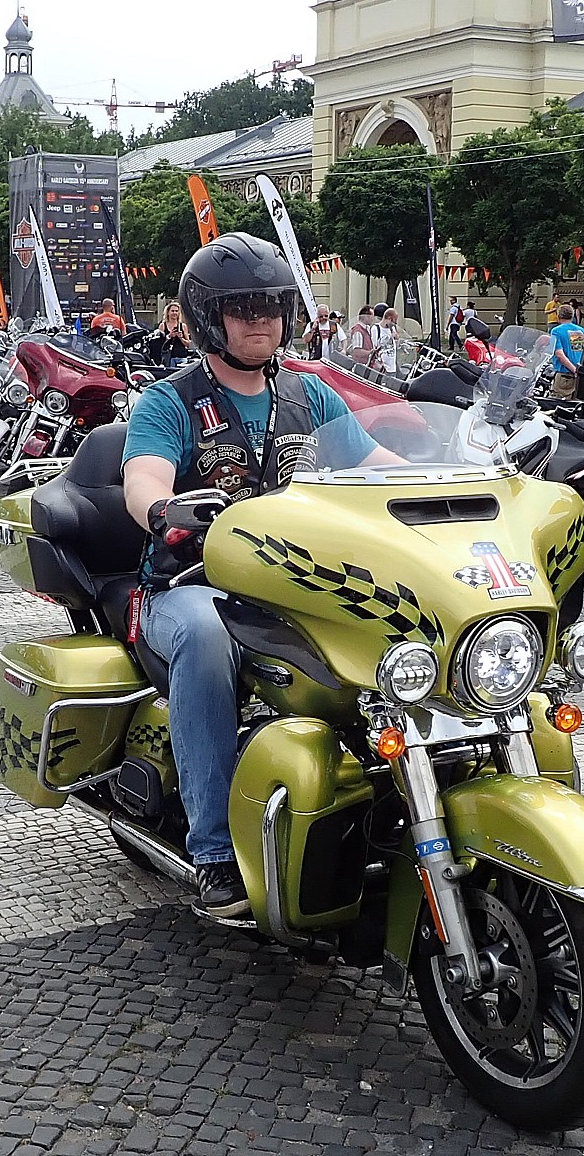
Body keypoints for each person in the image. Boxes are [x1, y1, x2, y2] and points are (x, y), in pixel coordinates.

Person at [122, 234, 400, 917]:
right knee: (207, 638)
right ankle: (215, 851)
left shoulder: (310, 396)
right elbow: (143, 476)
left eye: (272, 307)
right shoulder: (169, 401)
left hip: (294, 584)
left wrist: (460, 476)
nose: (261, 321)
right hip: (188, 586)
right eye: (243, 308)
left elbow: (378, 464)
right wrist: (161, 508)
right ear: (206, 317)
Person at [549, 303, 584, 398]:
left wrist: (574, 371)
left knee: (559, 403)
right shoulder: (582, 331)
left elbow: (559, 354)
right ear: (572, 316)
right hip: (581, 377)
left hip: (565, 376)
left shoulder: (556, 331)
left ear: (558, 316)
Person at [148, 300, 192, 367]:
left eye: (176, 311)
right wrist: (169, 336)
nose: (174, 313)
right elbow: (159, 344)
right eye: (172, 311)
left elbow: (188, 344)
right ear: (168, 312)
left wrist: (181, 338)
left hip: (182, 356)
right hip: (169, 357)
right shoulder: (163, 325)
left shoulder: (183, 326)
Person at [378, 307, 401, 373]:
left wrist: (397, 339)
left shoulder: (392, 329)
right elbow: (375, 345)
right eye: (393, 321)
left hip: (392, 366)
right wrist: (390, 337)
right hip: (382, 366)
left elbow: (396, 346)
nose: (394, 324)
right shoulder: (376, 328)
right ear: (388, 318)